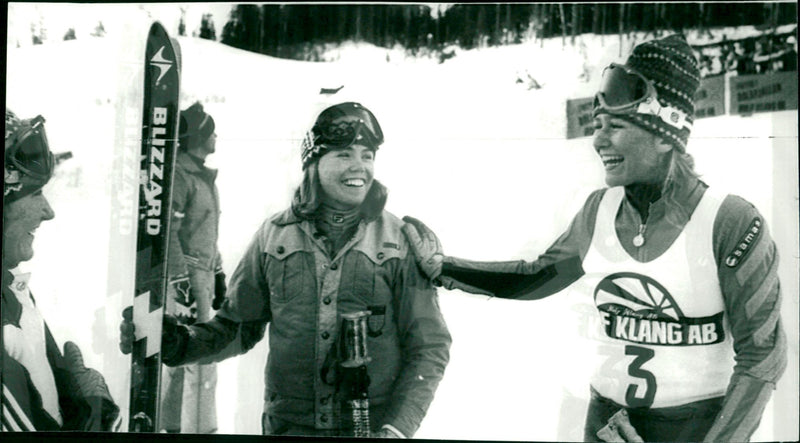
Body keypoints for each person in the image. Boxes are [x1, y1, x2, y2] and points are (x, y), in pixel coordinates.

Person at [402, 35, 787, 442]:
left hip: (695, 428)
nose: (598, 140)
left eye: (616, 126)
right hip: (606, 425)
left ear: (665, 135)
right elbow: (539, 278)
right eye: (598, 125)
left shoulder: (729, 222)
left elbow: (763, 357)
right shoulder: (600, 211)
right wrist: (443, 268)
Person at [121, 101, 451, 438]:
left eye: (367, 155)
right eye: (344, 155)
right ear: (314, 163)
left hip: (367, 428)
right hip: (289, 427)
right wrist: (179, 343)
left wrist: (396, 428)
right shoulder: (274, 235)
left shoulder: (399, 242)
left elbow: (429, 348)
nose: (359, 167)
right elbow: (238, 328)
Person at [2, 109, 119, 431]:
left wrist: (80, 402)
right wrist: (95, 414)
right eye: (35, 192)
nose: (48, 212)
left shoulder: (12, 289)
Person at [159, 102, 225, 433]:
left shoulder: (201, 175)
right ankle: (186, 429)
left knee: (195, 357)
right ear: (198, 136)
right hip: (187, 280)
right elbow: (168, 232)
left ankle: (186, 428)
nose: (216, 135)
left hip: (203, 277)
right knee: (193, 358)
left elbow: (204, 231)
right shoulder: (182, 176)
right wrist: (180, 282)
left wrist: (219, 271)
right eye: (211, 130)